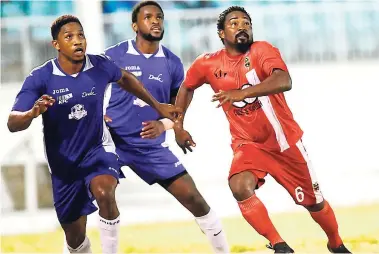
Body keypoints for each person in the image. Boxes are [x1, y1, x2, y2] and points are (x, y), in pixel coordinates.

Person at [172, 6, 351, 254]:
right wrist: (178, 126)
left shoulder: (262, 51)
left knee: (314, 204)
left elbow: (284, 81)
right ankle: (279, 245)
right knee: (239, 187)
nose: (242, 27)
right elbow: (187, 87)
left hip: (284, 143)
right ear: (221, 33)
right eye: (234, 23)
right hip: (248, 145)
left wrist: (241, 93)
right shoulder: (207, 63)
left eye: (246, 23)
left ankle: (335, 242)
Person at [7, 14, 181, 254]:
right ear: (56, 45)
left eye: (81, 35)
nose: (78, 41)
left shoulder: (100, 65)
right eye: (69, 37)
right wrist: (32, 113)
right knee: (75, 239)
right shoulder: (41, 77)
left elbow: (126, 78)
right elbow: (12, 123)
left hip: (98, 149)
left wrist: (158, 106)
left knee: (104, 192)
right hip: (64, 165)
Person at [103, 1, 229, 253]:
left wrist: (165, 125)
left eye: (159, 17)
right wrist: (98, 117)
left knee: (194, 199)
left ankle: (223, 250)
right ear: (134, 25)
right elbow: (91, 89)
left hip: (149, 147)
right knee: (101, 195)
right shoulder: (114, 54)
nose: (155, 21)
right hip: (112, 141)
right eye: (148, 17)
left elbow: (177, 109)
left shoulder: (172, 62)